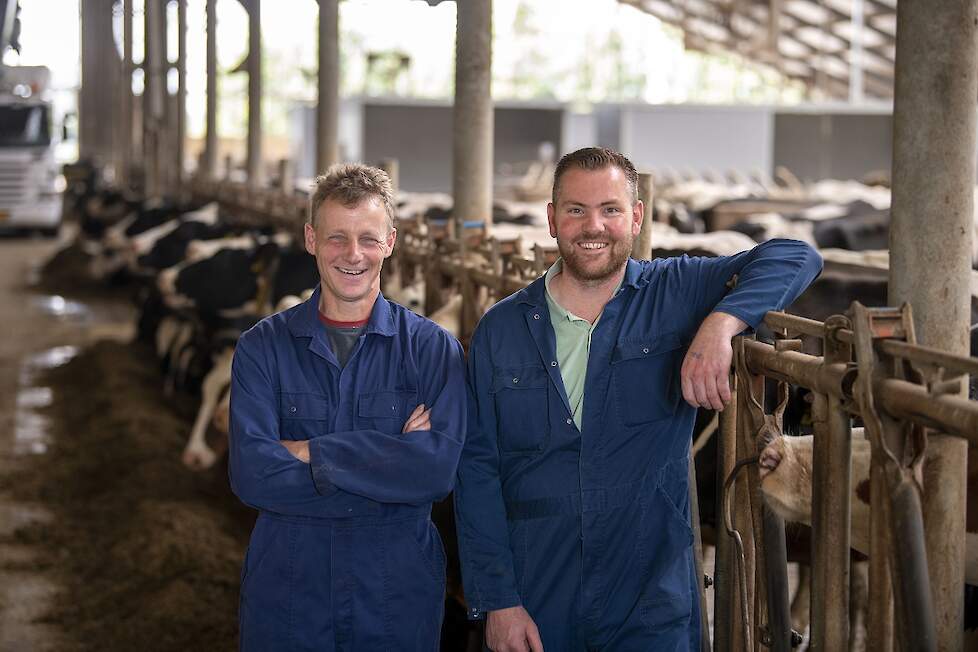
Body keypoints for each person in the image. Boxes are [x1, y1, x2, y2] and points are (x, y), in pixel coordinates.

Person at [454, 147, 822, 651]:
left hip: (648, 596)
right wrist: (498, 601)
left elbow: (796, 255)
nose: (593, 226)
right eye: (576, 210)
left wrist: (721, 324)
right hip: (539, 592)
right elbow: (477, 470)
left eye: (610, 209)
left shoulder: (672, 290)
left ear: (637, 216)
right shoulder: (501, 328)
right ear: (551, 219)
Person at [228, 163, 465, 651]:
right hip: (289, 592)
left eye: (368, 239)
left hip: (394, 595)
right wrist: (390, 457)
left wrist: (308, 452)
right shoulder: (261, 347)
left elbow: (435, 474)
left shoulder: (432, 350)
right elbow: (252, 474)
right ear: (311, 239)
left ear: (391, 242)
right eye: (337, 238)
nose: (353, 255)